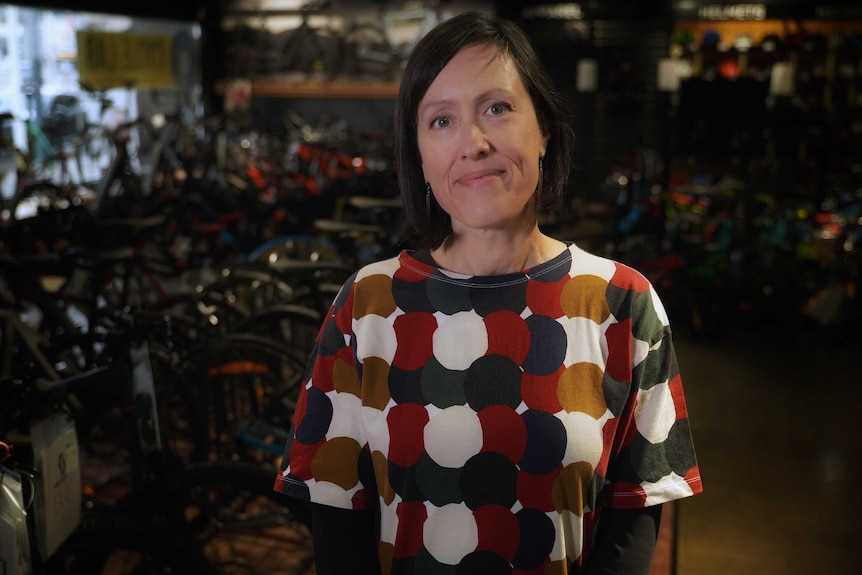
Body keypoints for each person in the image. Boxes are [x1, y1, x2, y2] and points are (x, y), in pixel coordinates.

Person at [275, 10, 703, 575]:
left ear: (544, 128)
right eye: (441, 121)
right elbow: (336, 521)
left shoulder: (622, 302)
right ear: (420, 156)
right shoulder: (367, 305)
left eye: (497, 109)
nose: (473, 143)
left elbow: (633, 520)